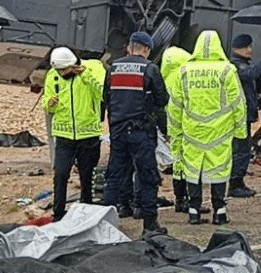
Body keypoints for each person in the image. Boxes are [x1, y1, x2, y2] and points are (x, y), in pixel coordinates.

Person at [173, 30, 247, 225]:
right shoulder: (227, 70)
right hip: (220, 131)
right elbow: (237, 102)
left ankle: (194, 211)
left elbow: (175, 105)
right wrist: (240, 131)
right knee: (219, 170)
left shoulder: (184, 71)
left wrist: (175, 132)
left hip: (192, 130)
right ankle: (219, 212)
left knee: (193, 170)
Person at [101, 31, 170, 236]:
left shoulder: (113, 67)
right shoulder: (149, 68)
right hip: (141, 131)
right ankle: (150, 224)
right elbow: (162, 100)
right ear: (146, 50)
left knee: (114, 176)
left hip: (118, 130)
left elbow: (106, 97)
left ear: (130, 47)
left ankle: (106, 224)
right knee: (147, 176)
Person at [40, 47, 105, 221]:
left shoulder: (94, 68)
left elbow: (103, 91)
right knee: (60, 173)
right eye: (59, 70)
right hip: (64, 135)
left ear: (73, 64)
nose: (61, 74)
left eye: (64, 70)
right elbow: (46, 101)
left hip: (88, 133)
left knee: (87, 175)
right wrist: (49, 103)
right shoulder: (52, 75)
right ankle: (58, 213)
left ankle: (88, 211)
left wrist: (85, 75)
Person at [228, 34, 261, 198]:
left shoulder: (242, 64)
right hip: (239, 116)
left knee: (243, 149)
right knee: (240, 150)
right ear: (236, 49)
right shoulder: (235, 65)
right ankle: (235, 184)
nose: (250, 50)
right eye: (246, 47)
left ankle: (238, 181)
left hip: (244, 114)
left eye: (249, 46)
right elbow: (251, 74)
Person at [160, 46, 193, 213]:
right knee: (189, 164)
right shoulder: (183, 76)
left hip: (172, 127)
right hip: (186, 126)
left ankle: (179, 199)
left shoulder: (165, 77)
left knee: (177, 164)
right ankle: (188, 201)